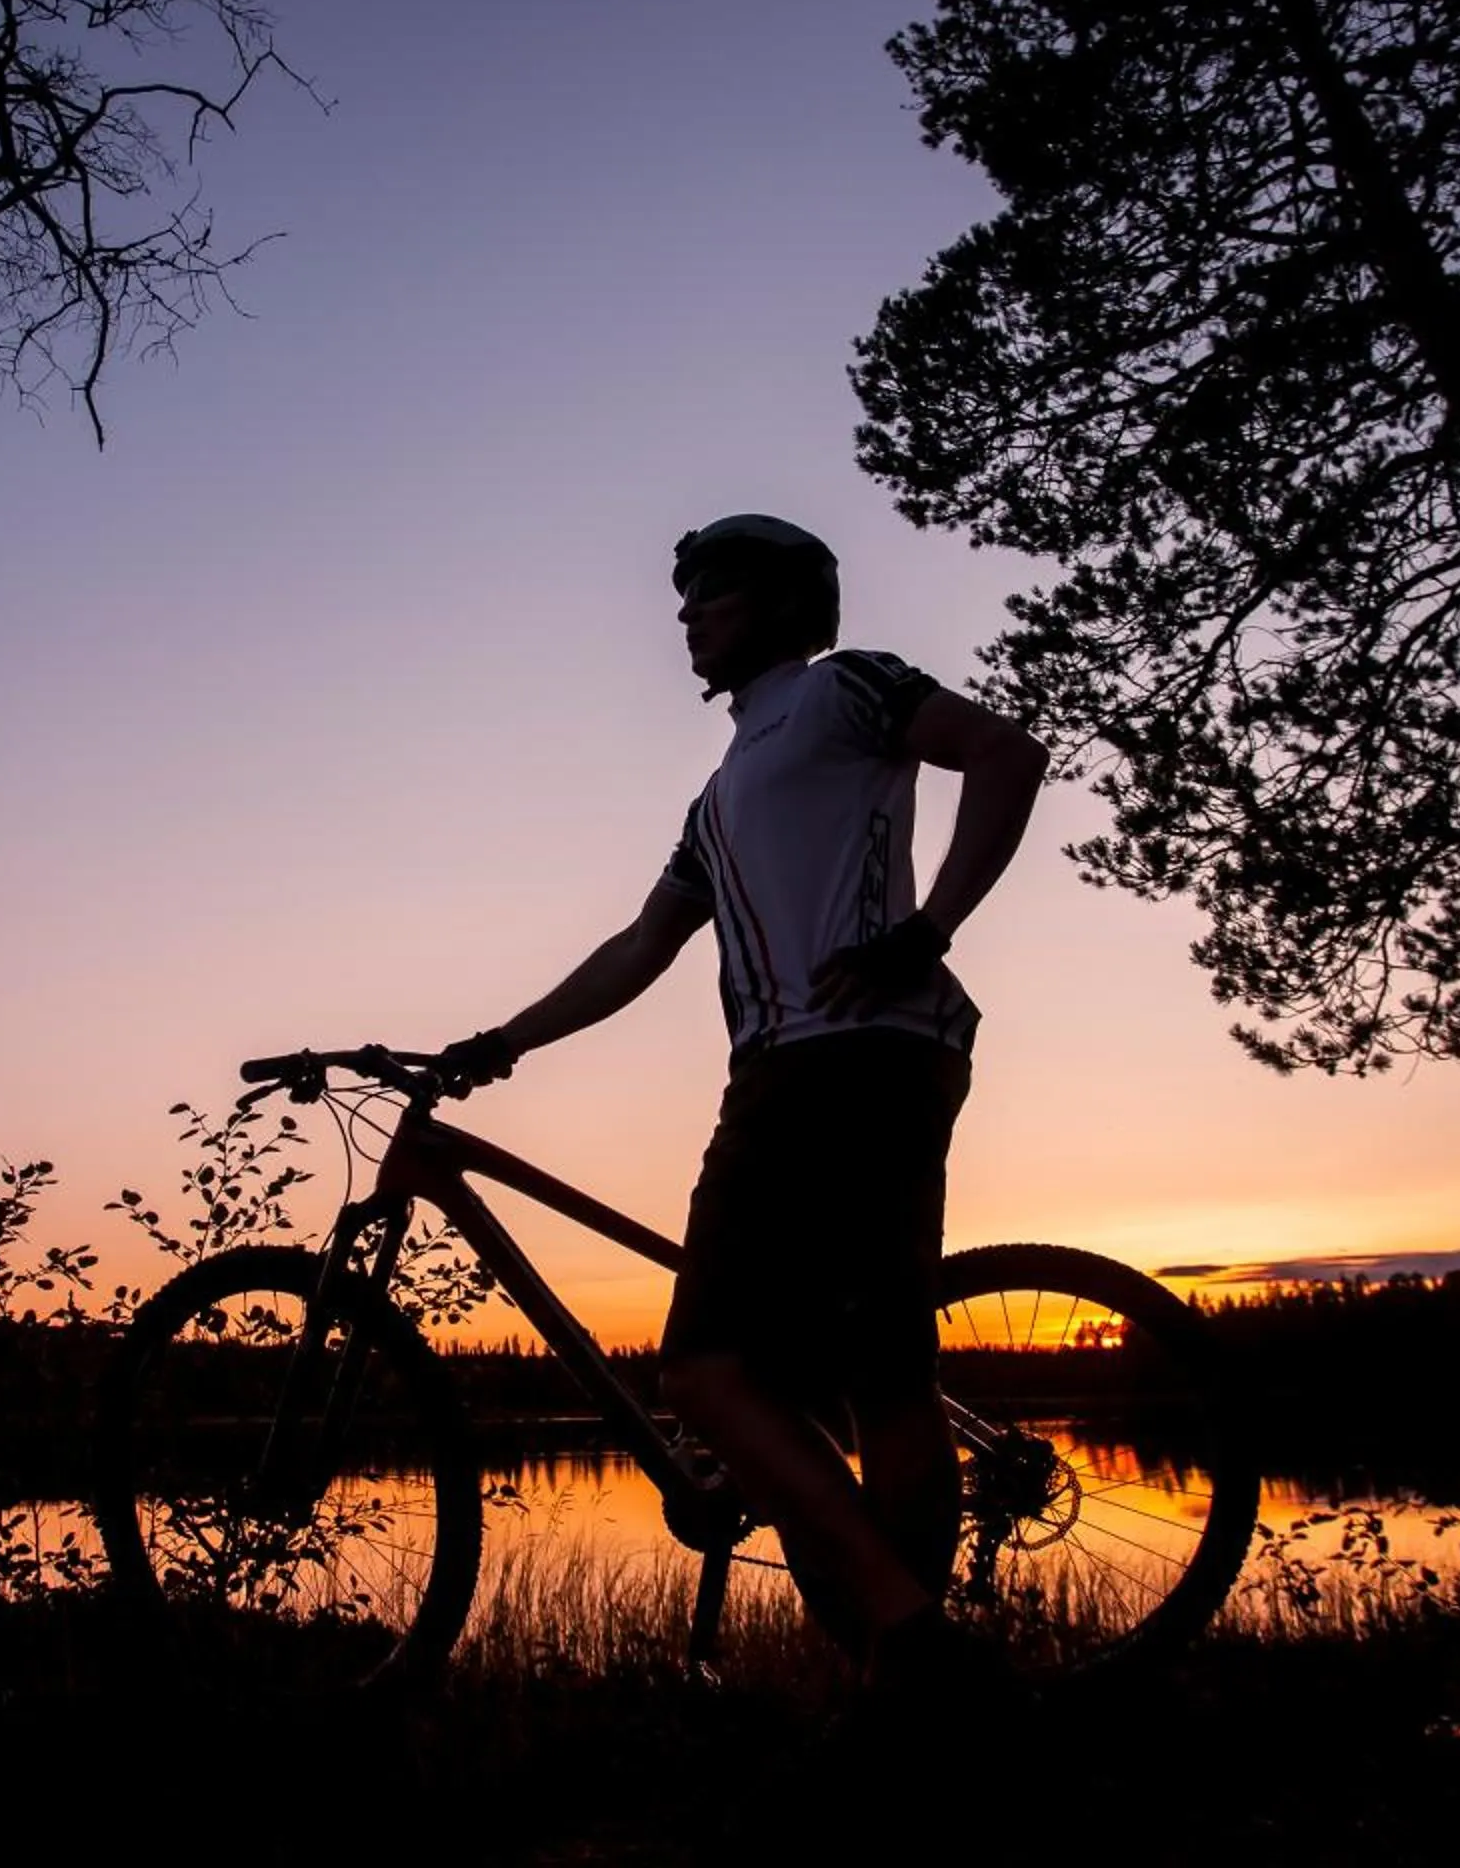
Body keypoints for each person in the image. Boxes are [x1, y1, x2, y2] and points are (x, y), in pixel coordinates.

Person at [435, 512, 1047, 1694]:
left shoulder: (843, 688)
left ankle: (908, 1640)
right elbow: (638, 946)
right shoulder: (719, 796)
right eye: (687, 594)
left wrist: (928, 928)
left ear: (779, 600)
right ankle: (905, 1662)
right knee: (879, 1374)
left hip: (836, 1058)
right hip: (823, 1064)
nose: (686, 612)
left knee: (709, 1371)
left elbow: (1006, 753)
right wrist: (500, 1042)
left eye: (711, 589)